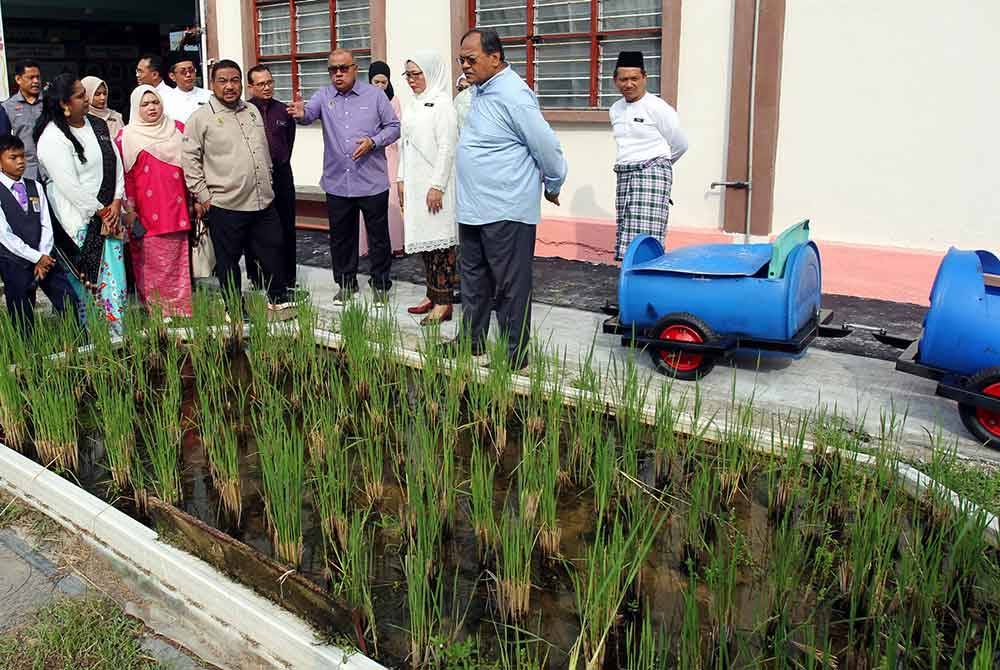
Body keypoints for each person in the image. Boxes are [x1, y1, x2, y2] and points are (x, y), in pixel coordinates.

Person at [448, 28, 566, 369]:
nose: (465, 67)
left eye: (471, 60)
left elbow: (546, 147)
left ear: (495, 58)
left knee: (511, 286)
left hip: (505, 208)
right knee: (473, 280)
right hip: (473, 208)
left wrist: (554, 183)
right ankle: (471, 342)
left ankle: (515, 356)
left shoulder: (514, 94)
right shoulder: (481, 91)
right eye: (461, 60)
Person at [288, 49, 400, 306]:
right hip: (338, 181)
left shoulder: (376, 96)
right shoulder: (323, 95)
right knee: (341, 237)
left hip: (371, 181)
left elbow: (394, 127)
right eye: (332, 70)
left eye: (343, 68)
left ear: (355, 68)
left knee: (378, 237)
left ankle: (381, 284)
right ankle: (346, 284)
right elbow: (308, 115)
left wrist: (374, 142)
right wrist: (300, 113)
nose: (337, 74)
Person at [182, 59, 290, 312]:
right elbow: (189, 159)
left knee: (274, 249)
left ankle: (278, 298)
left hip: (262, 199)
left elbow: (263, 150)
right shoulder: (201, 118)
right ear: (212, 84)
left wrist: (269, 178)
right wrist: (204, 195)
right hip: (225, 203)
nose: (229, 86)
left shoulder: (251, 111)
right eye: (223, 81)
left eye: (234, 80)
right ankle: (234, 309)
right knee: (228, 261)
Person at [35, 74, 127, 334]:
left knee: (115, 285)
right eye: (80, 96)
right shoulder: (51, 138)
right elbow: (69, 185)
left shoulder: (97, 125)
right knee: (90, 288)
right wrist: (100, 211)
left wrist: (117, 201)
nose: (87, 99)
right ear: (65, 104)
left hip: (109, 217)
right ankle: (96, 343)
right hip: (79, 223)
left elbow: (115, 162)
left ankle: (118, 337)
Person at [117, 85, 193, 317]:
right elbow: (123, 177)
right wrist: (129, 210)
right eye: (145, 104)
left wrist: (195, 200)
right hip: (145, 213)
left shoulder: (177, 129)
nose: (152, 108)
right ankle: (157, 313)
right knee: (150, 265)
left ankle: (181, 311)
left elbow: (191, 166)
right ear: (135, 107)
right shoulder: (125, 136)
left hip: (177, 208)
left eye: (155, 102)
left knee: (178, 262)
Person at [397, 51, 459, 326]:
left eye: (417, 74)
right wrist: (400, 179)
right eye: (408, 75)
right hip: (415, 182)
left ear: (431, 73)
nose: (412, 80)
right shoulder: (414, 104)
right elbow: (404, 144)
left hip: (436, 186)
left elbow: (447, 148)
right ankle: (432, 294)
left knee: (440, 246)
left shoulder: (443, 104)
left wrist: (437, 185)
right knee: (425, 244)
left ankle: (445, 302)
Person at [610, 51, 688, 263]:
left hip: (651, 174)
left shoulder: (658, 108)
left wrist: (658, 166)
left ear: (644, 78)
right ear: (615, 80)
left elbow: (680, 144)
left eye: (634, 78)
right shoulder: (615, 109)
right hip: (625, 175)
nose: (629, 84)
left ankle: (649, 284)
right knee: (627, 234)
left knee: (647, 236)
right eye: (623, 79)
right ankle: (630, 284)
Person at [0, 135, 78, 336]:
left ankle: (82, 344)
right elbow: (4, 235)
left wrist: (43, 254)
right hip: (14, 261)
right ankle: (29, 357)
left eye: (22, 156)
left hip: (45, 256)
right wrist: (36, 257)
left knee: (69, 301)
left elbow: (46, 224)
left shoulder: (35, 186)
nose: (20, 162)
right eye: (13, 157)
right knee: (21, 313)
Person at [247, 64, 297, 290]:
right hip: (254, 177)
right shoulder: (244, 111)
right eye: (261, 84)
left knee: (286, 225)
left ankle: (288, 277)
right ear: (250, 87)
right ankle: (258, 276)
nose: (267, 87)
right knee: (256, 229)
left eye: (270, 82)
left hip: (281, 175)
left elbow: (289, 141)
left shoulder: (283, 111)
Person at [365, 61, 404, 257]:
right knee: (369, 197)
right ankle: (369, 246)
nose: (380, 86)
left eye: (384, 82)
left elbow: (395, 127)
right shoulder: (363, 100)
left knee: (391, 198)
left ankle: (395, 244)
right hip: (370, 154)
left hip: (390, 153)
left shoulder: (394, 100)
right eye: (376, 81)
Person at [3, 60, 44, 180]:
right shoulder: (7, 107)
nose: (36, 81)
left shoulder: (50, 103)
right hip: (26, 171)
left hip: (52, 168)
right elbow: (5, 143)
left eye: (38, 77)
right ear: (18, 79)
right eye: (31, 77)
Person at [163, 52, 211, 124]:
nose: (188, 75)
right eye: (183, 72)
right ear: (172, 76)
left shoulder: (209, 95)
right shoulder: (165, 100)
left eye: (191, 71)